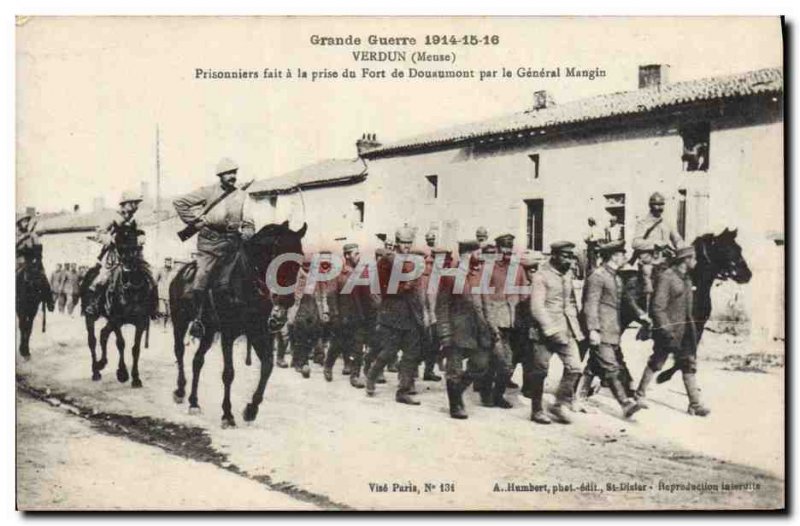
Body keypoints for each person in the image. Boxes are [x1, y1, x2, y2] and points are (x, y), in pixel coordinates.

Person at [173, 157, 255, 338]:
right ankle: (198, 320)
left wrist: (248, 231)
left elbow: (248, 221)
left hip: (234, 244)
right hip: (209, 244)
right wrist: (194, 222)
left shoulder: (242, 195)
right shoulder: (208, 192)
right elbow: (180, 203)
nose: (232, 176)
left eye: (234, 172)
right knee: (201, 278)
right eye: (228, 173)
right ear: (220, 175)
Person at [636, 246, 709, 416]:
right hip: (668, 331)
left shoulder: (687, 279)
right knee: (657, 362)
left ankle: (695, 404)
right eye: (694, 259)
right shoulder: (667, 277)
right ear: (686, 260)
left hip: (685, 332)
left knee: (689, 363)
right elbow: (657, 307)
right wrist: (666, 329)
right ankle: (639, 394)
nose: (696, 262)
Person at [581, 240, 644, 418]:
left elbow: (626, 300)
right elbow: (590, 304)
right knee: (610, 366)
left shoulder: (615, 277)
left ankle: (578, 394)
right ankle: (625, 403)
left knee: (596, 362)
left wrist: (640, 315)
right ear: (615, 256)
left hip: (612, 330)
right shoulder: (597, 276)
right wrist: (593, 329)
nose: (625, 257)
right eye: (622, 254)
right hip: (601, 329)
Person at [365, 226, 425, 405]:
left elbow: (419, 289)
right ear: (397, 243)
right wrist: (401, 288)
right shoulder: (386, 261)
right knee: (389, 351)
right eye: (403, 243)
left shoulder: (415, 261)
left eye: (409, 243)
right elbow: (379, 287)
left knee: (411, 354)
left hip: (411, 313)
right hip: (392, 312)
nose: (406, 246)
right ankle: (372, 375)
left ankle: (403, 391)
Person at [528, 241, 584, 424]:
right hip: (544, 332)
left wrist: (575, 328)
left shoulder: (567, 275)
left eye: (571, 256)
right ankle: (536, 409)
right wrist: (551, 330)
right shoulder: (541, 276)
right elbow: (537, 307)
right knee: (540, 370)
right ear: (554, 255)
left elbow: (570, 303)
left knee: (575, 367)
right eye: (565, 256)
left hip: (566, 329)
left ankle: (559, 404)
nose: (569, 260)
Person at [436, 241, 492, 419]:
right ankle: (456, 405)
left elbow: (485, 304)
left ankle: (457, 391)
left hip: (477, 330)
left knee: (481, 364)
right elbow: (442, 307)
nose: (481, 256)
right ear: (467, 254)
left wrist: (491, 327)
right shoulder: (450, 276)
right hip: (456, 331)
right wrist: (445, 333)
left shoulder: (479, 275)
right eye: (478, 252)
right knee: (454, 370)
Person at [479, 233, 527, 409]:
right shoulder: (488, 268)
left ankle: (492, 393)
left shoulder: (518, 268)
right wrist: (489, 322)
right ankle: (491, 394)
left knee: (503, 361)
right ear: (497, 249)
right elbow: (483, 297)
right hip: (494, 321)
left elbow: (524, 296)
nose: (507, 251)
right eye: (503, 247)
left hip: (513, 322)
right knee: (502, 361)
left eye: (510, 247)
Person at [85, 191, 151, 316]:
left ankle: (151, 307)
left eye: (137, 204)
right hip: (115, 254)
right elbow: (99, 233)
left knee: (149, 276)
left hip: (134, 254)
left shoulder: (136, 220)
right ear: (125, 204)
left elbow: (141, 233)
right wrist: (109, 239)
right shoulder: (112, 217)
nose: (136, 206)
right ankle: (94, 304)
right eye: (133, 203)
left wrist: (141, 238)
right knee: (102, 278)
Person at [326, 243, 378, 388]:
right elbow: (331, 296)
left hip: (358, 316)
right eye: (355, 254)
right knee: (337, 345)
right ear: (347, 255)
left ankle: (355, 376)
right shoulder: (338, 273)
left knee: (358, 347)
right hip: (343, 317)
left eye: (358, 253)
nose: (358, 256)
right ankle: (328, 366)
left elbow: (368, 295)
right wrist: (335, 316)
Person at [290, 253, 331, 379]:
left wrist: (325, 310)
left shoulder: (318, 276)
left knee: (315, 332)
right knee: (300, 333)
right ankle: (300, 361)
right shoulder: (296, 275)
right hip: (300, 305)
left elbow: (323, 293)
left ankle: (315, 357)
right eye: (306, 266)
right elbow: (293, 294)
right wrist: (291, 312)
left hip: (314, 304)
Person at [16, 213, 55, 311]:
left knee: (43, 277)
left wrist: (37, 254)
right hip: (19, 261)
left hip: (32, 261)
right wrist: (23, 241)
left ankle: (49, 301)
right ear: (19, 224)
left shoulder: (33, 235)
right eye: (23, 222)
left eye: (27, 221)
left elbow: (38, 248)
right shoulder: (16, 235)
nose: (26, 223)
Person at [155, 257, 175, 322]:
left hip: (170, 294)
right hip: (161, 293)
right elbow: (155, 281)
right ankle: (161, 325)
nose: (168, 263)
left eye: (170, 261)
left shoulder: (173, 271)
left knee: (169, 312)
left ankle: (168, 325)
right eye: (167, 261)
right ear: (165, 262)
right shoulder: (161, 270)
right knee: (162, 311)